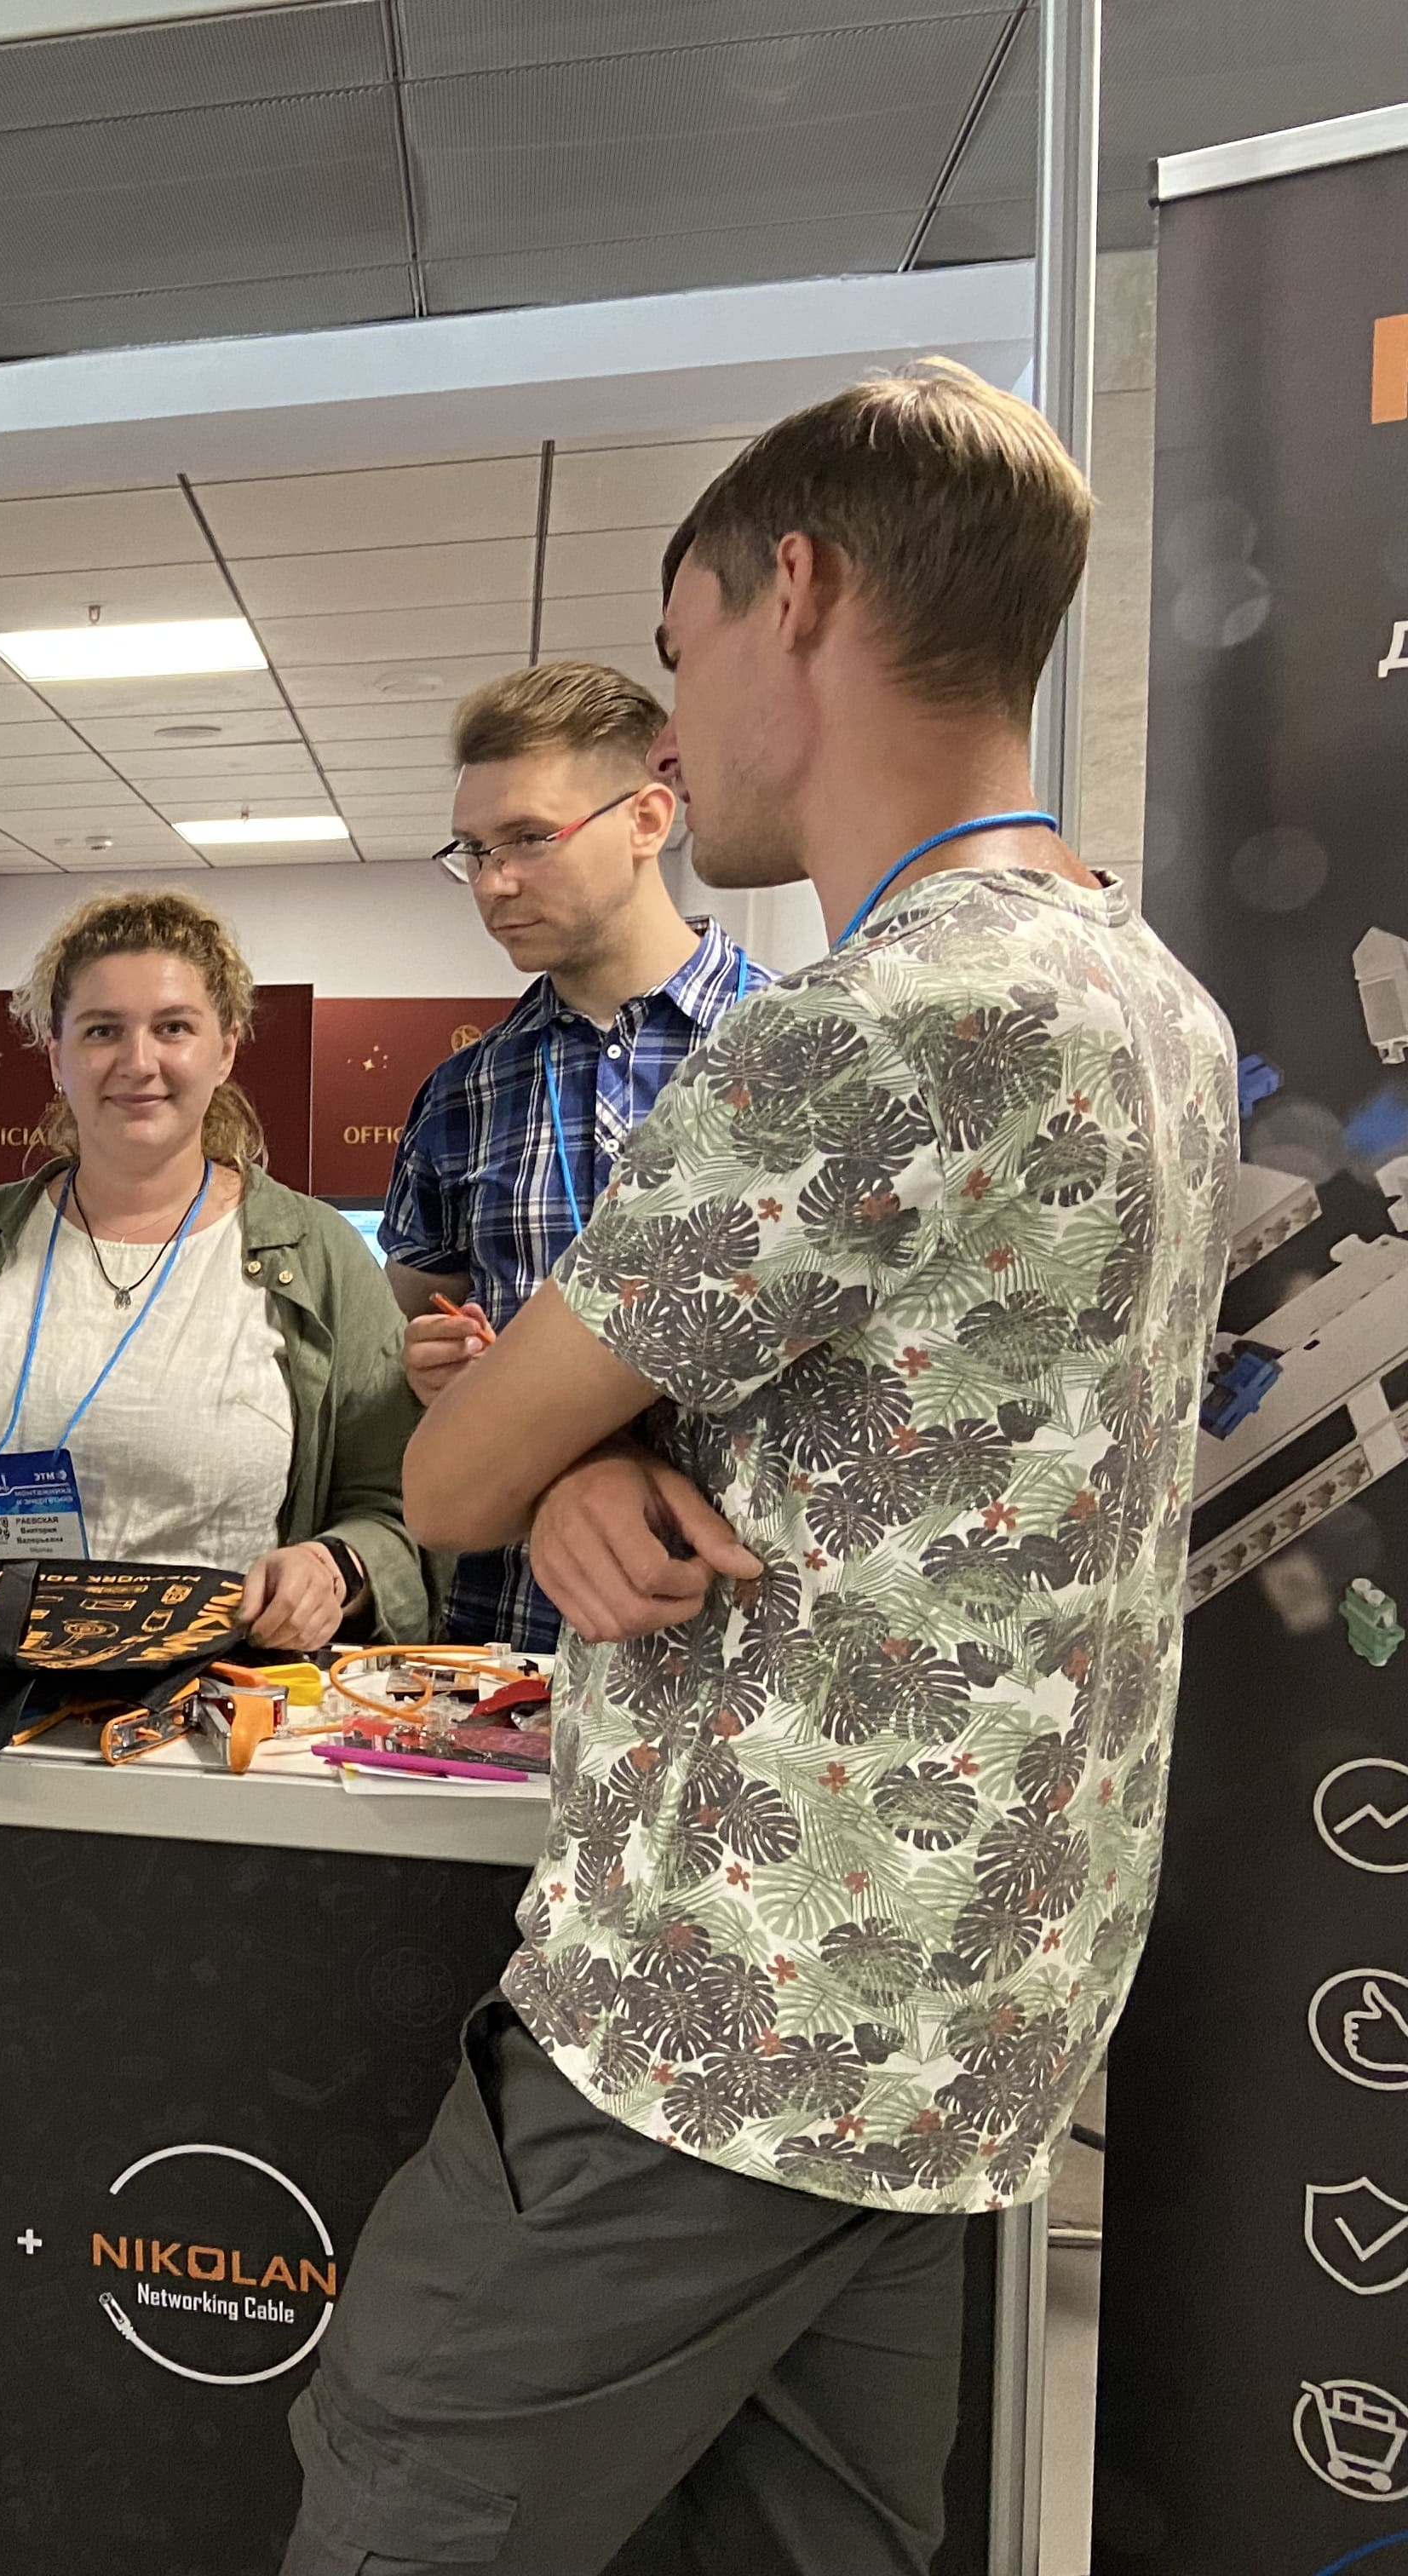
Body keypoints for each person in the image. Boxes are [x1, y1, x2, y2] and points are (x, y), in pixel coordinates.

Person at [281, 360, 1235, 2575]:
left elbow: (456, 1475)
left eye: (680, 645)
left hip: (731, 2006)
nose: (675, 724)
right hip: (964, 2017)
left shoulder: (873, 1023)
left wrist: (544, 1443)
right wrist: (586, 1448)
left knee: (407, 2496)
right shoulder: (1151, 999)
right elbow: (890, 1414)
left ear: (792, 591)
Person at [0, 888, 422, 1651]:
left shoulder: (320, 1257)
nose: (138, 1062)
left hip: (224, 1691)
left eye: (174, 1028)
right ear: (56, 1056)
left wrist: (336, 1566)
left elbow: (397, 1504)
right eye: (103, 1031)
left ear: (225, 1050)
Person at [380, 662, 765, 1653]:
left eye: (528, 839)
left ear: (647, 819)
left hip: (739, 1631)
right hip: (512, 1635)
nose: (494, 882)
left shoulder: (783, 1050)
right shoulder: (462, 1093)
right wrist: (438, 1360)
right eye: (474, 850)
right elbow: (427, 1307)